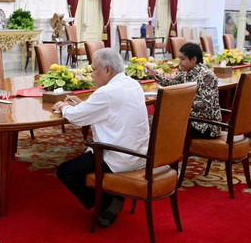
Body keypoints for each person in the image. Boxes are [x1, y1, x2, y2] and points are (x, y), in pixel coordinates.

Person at [52, 48, 149, 228]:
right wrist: (85, 105)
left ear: (107, 70)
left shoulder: (106, 93)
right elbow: (111, 110)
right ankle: (112, 194)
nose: (91, 75)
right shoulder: (132, 83)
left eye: (94, 69)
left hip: (118, 157)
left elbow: (76, 118)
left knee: (66, 171)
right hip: (142, 154)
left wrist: (61, 106)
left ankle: (109, 200)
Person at [145, 42, 221, 139]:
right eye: (179, 59)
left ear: (194, 59)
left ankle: (167, 152)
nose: (180, 62)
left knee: (159, 123)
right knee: (154, 120)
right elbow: (170, 83)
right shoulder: (187, 72)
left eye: (183, 59)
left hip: (205, 126)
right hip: (189, 119)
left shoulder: (207, 76)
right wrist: (153, 73)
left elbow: (206, 105)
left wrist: (181, 102)